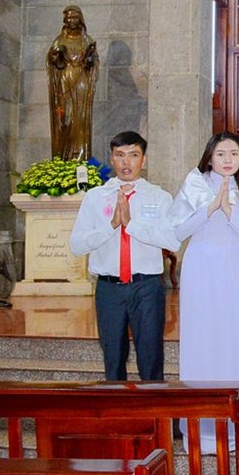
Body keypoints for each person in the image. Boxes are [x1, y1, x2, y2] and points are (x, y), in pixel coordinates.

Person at [169, 132, 239, 453]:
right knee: (201, 338)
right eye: (221, 154)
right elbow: (176, 232)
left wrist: (231, 215)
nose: (228, 159)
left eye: (234, 154)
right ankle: (200, 427)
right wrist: (209, 209)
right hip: (201, 267)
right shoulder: (194, 184)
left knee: (232, 338)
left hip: (233, 268)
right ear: (209, 157)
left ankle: (234, 427)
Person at [69, 131, 180, 381]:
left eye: (133, 155)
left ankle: (152, 406)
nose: (126, 162)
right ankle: (116, 406)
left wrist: (131, 225)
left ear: (144, 160)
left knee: (151, 358)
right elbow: (76, 245)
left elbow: (172, 241)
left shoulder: (159, 197)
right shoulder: (95, 197)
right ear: (112, 159)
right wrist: (111, 225)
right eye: (120, 155)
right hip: (109, 289)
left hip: (147, 287)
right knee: (113, 359)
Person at [46, 5, 99, 160]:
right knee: (65, 119)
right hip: (64, 81)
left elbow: (93, 63)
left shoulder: (86, 40)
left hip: (81, 81)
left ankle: (80, 157)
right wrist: (56, 55)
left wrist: (89, 58)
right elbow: (53, 63)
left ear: (80, 19)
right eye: (69, 18)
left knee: (80, 118)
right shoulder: (60, 40)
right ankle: (63, 158)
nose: (72, 20)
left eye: (75, 17)